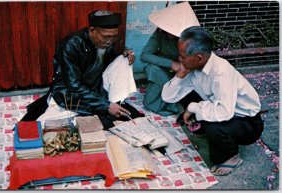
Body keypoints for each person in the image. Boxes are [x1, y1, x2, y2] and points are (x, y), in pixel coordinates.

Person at [162, 26, 264, 176]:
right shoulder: (195, 67)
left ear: (198, 57)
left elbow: (224, 112)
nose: (179, 59)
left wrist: (193, 107)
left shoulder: (221, 72)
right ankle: (205, 128)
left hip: (247, 123)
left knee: (214, 126)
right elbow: (168, 97)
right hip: (224, 109)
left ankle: (231, 157)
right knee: (188, 96)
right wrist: (181, 73)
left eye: (183, 56)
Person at [21, 10, 143, 128]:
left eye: (113, 37)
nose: (110, 41)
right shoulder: (70, 45)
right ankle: (108, 104)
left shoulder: (107, 42)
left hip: (94, 85)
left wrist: (124, 54)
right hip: (70, 91)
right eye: (106, 37)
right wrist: (105, 105)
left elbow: (108, 64)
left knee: (123, 60)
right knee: (53, 122)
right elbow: (73, 85)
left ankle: (115, 100)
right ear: (92, 30)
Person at [140, 2, 200, 116]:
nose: (169, 32)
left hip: (183, 73)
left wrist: (181, 66)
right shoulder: (160, 32)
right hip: (163, 69)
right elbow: (145, 55)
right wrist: (171, 63)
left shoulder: (190, 39)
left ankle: (173, 104)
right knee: (153, 70)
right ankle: (160, 102)